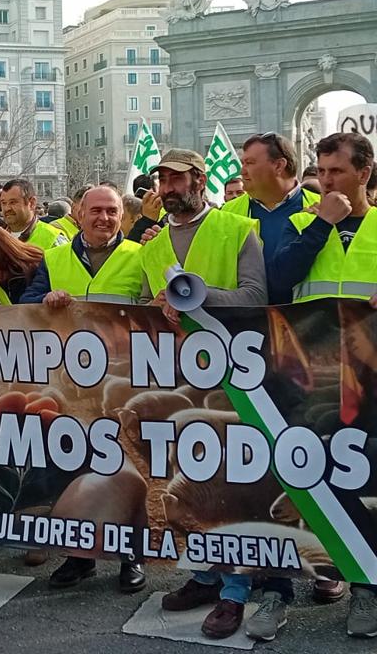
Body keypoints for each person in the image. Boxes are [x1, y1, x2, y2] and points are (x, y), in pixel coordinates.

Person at [254, 131, 377, 641]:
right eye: (321, 172)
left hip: (370, 385)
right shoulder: (304, 223)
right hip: (311, 380)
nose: (325, 182)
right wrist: (322, 225)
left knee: (360, 486)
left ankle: (364, 586)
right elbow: (279, 281)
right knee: (292, 479)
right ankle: (275, 590)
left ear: (365, 173)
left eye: (337, 173)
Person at [148, 150, 267, 640]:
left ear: (200, 180)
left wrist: (195, 294)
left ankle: (235, 592)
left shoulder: (238, 230)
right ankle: (203, 575)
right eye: (162, 180)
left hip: (232, 379)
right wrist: (154, 304)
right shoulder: (151, 246)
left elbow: (255, 297)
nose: (167, 188)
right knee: (187, 481)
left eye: (176, 179)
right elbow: (140, 306)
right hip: (176, 379)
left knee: (229, 486)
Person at [19, 185, 146, 593]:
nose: (104, 218)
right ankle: (80, 556)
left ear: (121, 216)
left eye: (112, 211)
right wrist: (45, 302)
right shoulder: (55, 259)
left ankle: (131, 556)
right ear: (78, 212)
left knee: (130, 471)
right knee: (74, 467)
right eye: (96, 210)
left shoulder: (141, 256)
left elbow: (152, 312)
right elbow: (25, 308)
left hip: (125, 383)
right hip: (71, 386)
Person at [221, 132, 319, 304]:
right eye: (242, 163)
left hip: (306, 321)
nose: (242, 171)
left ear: (279, 165)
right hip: (242, 323)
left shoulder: (322, 208)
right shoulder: (227, 213)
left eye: (249, 163)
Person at [0, 178, 68, 251]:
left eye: (13, 202)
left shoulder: (53, 238)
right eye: (4, 203)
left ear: (32, 203)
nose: (7, 208)